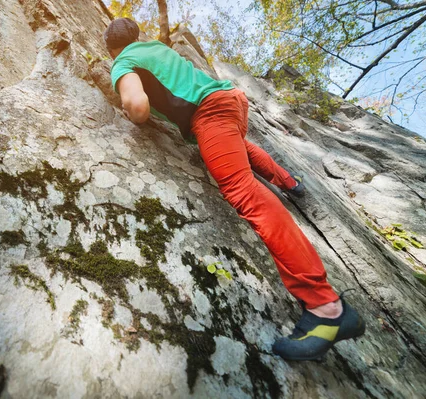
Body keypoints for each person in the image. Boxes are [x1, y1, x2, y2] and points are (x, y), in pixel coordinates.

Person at [104, 18, 365, 361]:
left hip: (209, 113)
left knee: (243, 192)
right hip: (229, 101)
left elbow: (137, 108)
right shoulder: (157, 48)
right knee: (237, 146)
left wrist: (126, 103)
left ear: (112, 49)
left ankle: (326, 309)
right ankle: (290, 182)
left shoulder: (124, 61)